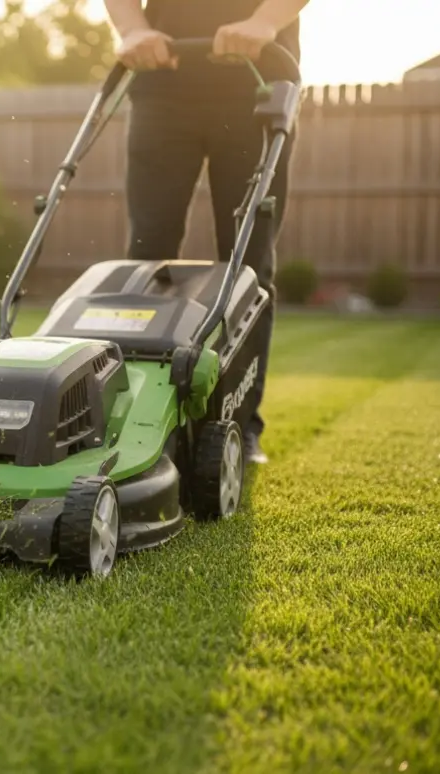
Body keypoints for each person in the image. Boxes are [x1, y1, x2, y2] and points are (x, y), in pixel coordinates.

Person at [102, 0, 310, 465]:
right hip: (161, 80)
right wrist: (133, 28)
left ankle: (238, 423)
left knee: (249, 262)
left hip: (258, 80)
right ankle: (133, 416)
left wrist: (263, 23)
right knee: (146, 257)